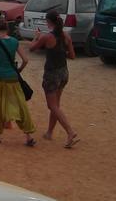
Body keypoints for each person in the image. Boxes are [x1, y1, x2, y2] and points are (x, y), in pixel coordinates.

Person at [30, 10, 80, 148]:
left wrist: (36, 37)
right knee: (56, 105)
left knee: (52, 105)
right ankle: (49, 132)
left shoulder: (47, 37)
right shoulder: (66, 36)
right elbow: (73, 56)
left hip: (52, 73)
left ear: (48, 21)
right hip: (63, 72)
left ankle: (70, 131)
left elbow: (32, 48)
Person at [0, 19, 37, 146]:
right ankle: (28, 135)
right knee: (20, 106)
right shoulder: (14, 41)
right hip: (13, 78)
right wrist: (18, 69)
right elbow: (25, 60)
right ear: (7, 29)